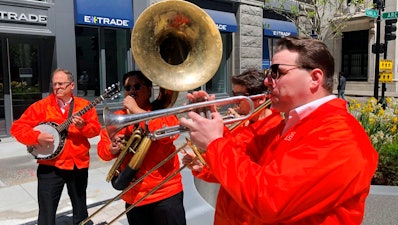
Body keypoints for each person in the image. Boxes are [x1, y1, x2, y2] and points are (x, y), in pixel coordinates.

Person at [180, 37, 378, 224]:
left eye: (277, 72)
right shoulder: (289, 124)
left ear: (315, 78)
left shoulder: (340, 136)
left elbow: (270, 200)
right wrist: (211, 120)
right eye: (268, 73)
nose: (267, 81)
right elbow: (240, 162)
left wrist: (215, 143)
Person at [10, 68, 101, 225]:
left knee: (80, 209)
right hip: (50, 166)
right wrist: (36, 136)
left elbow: (95, 131)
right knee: (46, 212)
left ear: (72, 86)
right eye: (54, 84)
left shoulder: (84, 105)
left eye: (61, 84)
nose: (57, 87)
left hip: (76, 164)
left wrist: (83, 127)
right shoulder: (41, 106)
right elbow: (17, 128)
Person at [97, 71, 186, 225]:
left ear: (149, 89)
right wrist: (112, 149)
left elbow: (169, 135)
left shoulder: (162, 111)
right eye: (128, 87)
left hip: (165, 193)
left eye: (137, 86)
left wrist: (138, 112)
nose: (132, 91)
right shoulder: (118, 117)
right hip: (134, 196)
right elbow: (102, 149)